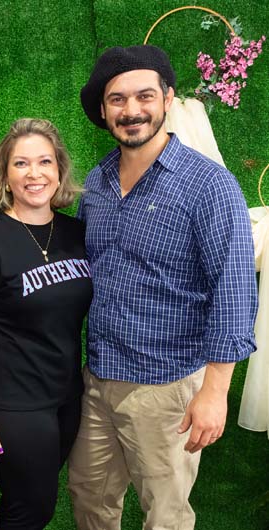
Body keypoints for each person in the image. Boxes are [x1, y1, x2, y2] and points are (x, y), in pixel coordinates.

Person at [68, 45, 258, 530]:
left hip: (167, 388)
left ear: (168, 99)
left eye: (144, 96)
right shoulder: (97, 183)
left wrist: (214, 392)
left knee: (166, 516)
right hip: (98, 379)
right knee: (89, 499)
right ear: (104, 110)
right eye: (117, 99)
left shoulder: (209, 185)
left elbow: (235, 292)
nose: (131, 110)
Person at [0, 118, 93, 529]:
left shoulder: (76, 234)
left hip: (66, 398)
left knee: (27, 504)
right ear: (5, 175)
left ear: (59, 170)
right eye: (21, 163)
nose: (35, 174)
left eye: (45, 161)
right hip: (14, 405)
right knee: (31, 509)